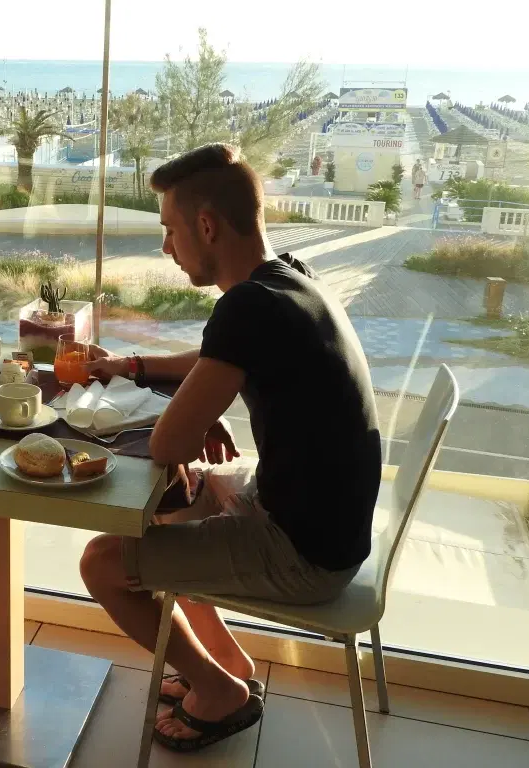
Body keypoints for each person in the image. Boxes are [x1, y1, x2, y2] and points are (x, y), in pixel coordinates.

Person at [78, 144, 381, 753]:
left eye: (169, 229)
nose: (167, 245)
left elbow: (168, 442)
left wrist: (192, 414)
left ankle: (218, 692)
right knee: (178, 502)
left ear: (206, 226)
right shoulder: (289, 278)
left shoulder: (246, 306)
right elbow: (213, 363)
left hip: (305, 554)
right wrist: (136, 367)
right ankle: (224, 664)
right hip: (331, 523)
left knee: (102, 563)